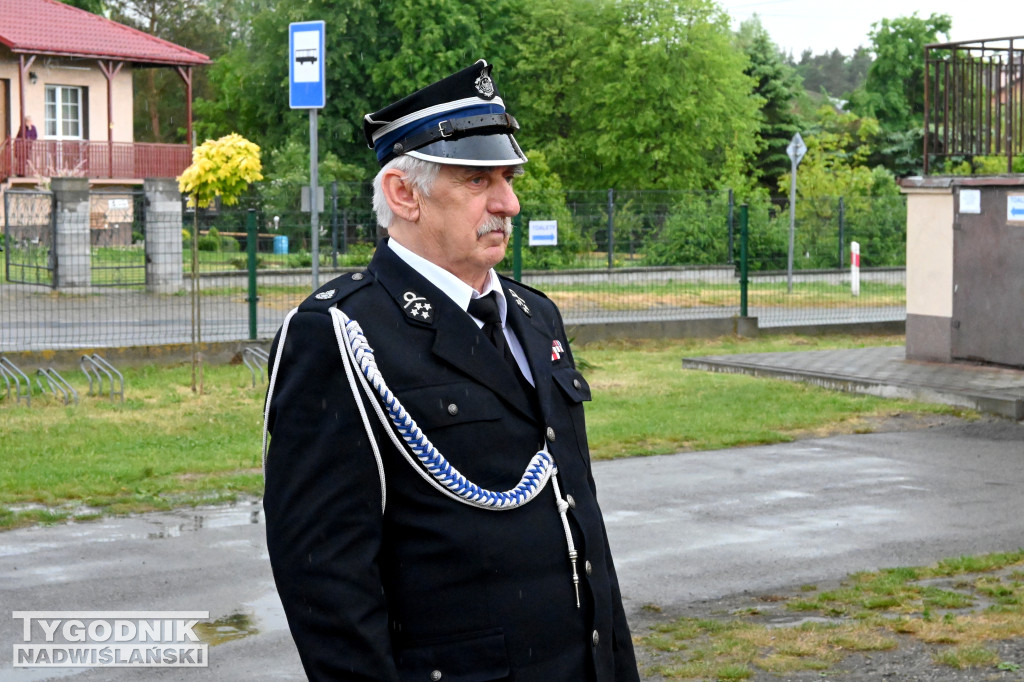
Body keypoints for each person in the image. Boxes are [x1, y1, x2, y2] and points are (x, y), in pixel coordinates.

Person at [262, 59, 640, 682]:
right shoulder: (339, 334)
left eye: (509, 177)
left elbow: (580, 527)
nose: (509, 203)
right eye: (476, 180)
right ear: (403, 194)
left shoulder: (533, 315)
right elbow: (325, 581)